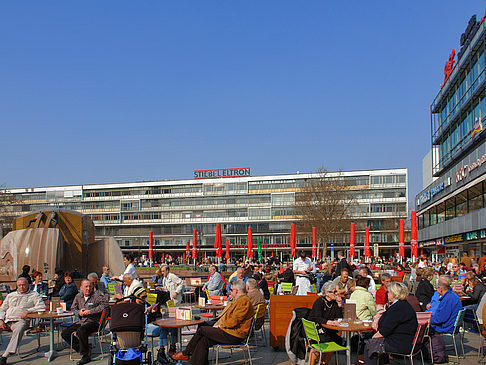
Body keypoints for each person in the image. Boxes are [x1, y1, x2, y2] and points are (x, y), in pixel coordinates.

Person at [171, 280, 255, 365]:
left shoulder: (243, 301)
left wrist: (219, 326)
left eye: (231, 290)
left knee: (202, 330)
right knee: (204, 340)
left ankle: (186, 353)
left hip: (234, 334)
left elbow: (234, 321)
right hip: (229, 331)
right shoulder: (237, 300)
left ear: (236, 291)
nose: (229, 292)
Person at [364, 282, 418, 365]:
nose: (387, 294)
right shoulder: (404, 305)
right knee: (376, 342)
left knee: (370, 345)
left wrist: (374, 337)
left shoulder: (397, 308)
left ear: (394, 294)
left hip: (401, 343)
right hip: (408, 341)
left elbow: (385, 329)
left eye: (388, 292)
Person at [61, 279, 109, 365]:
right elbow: (73, 308)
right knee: (65, 333)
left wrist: (91, 311)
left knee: (81, 331)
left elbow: (105, 305)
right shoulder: (78, 296)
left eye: (90, 286)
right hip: (82, 321)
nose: (88, 288)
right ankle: (82, 348)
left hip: (94, 322)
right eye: (86, 286)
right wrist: (79, 312)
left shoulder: (96, 295)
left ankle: (85, 355)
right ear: (81, 288)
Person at [0, 278, 45, 365]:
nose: (22, 287)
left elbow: (41, 307)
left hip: (21, 320)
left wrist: (28, 310)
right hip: (7, 320)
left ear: (28, 285)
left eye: (23, 285)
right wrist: (0, 320)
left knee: (19, 328)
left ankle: (5, 355)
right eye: (19, 285)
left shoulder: (34, 295)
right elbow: (2, 309)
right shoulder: (11, 295)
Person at [306, 281, 343, 365]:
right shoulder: (320, 302)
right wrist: (328, 322)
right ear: (327, 293)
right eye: (334, 292)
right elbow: (316, 317)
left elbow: (339, 317)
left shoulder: (334, 303)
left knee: (336, 340)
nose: (336, 294)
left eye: (336, 291)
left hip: (327, 330)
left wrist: (339, 304)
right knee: (321, 344)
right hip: (316, 329)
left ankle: (324, 363)